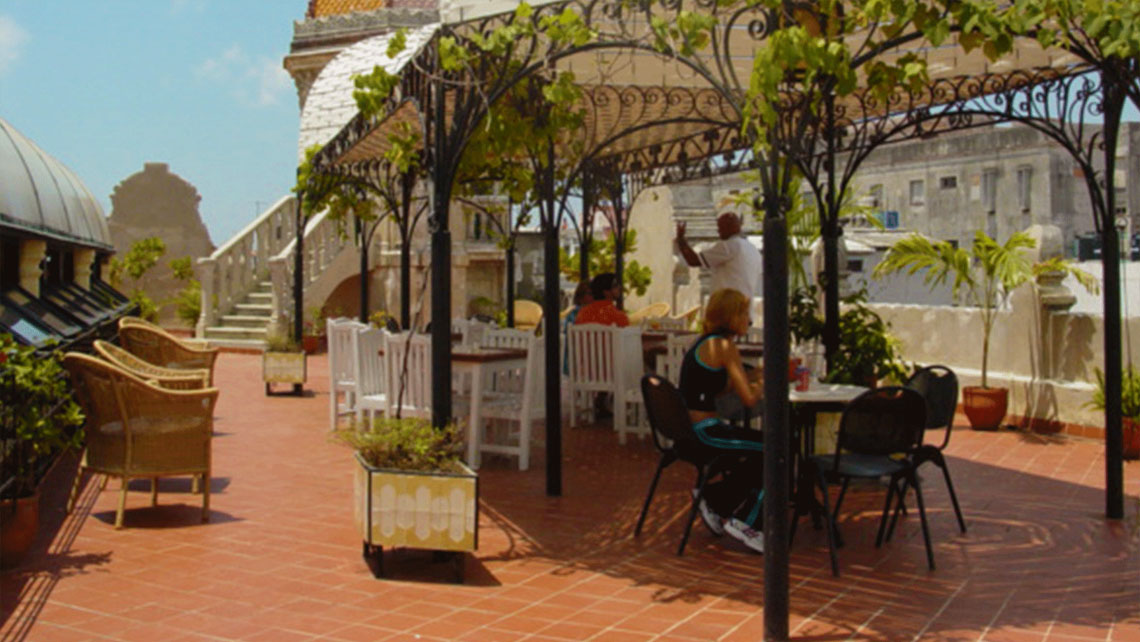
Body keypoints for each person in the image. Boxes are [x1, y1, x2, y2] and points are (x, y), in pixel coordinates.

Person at [678, 288, 766, 553]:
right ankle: (748, 522)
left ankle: (715, 499)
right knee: (775, 450)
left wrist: (755, 375)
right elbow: (749, 399)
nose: (748, 320)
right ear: (730, 316)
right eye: (744, 313)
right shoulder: (725, 347)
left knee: (765, 449)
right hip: (707, 431)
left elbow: (721, 387)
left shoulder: (708, 343)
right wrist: (770, 377)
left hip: (692, 430)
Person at [675, 212, 763, 301]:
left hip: (727, 304)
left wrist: (681, 239)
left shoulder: (729, 246)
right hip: (745, 305)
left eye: (721, 228)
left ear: (730, 228)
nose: (719, 232)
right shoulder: (753, 249)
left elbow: (693, 260)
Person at [562, 281, 594, 375]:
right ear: (580, 297)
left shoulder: (599, 314)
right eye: (590, 294)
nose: (593, 297)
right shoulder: (574, 316)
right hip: (580, 364)